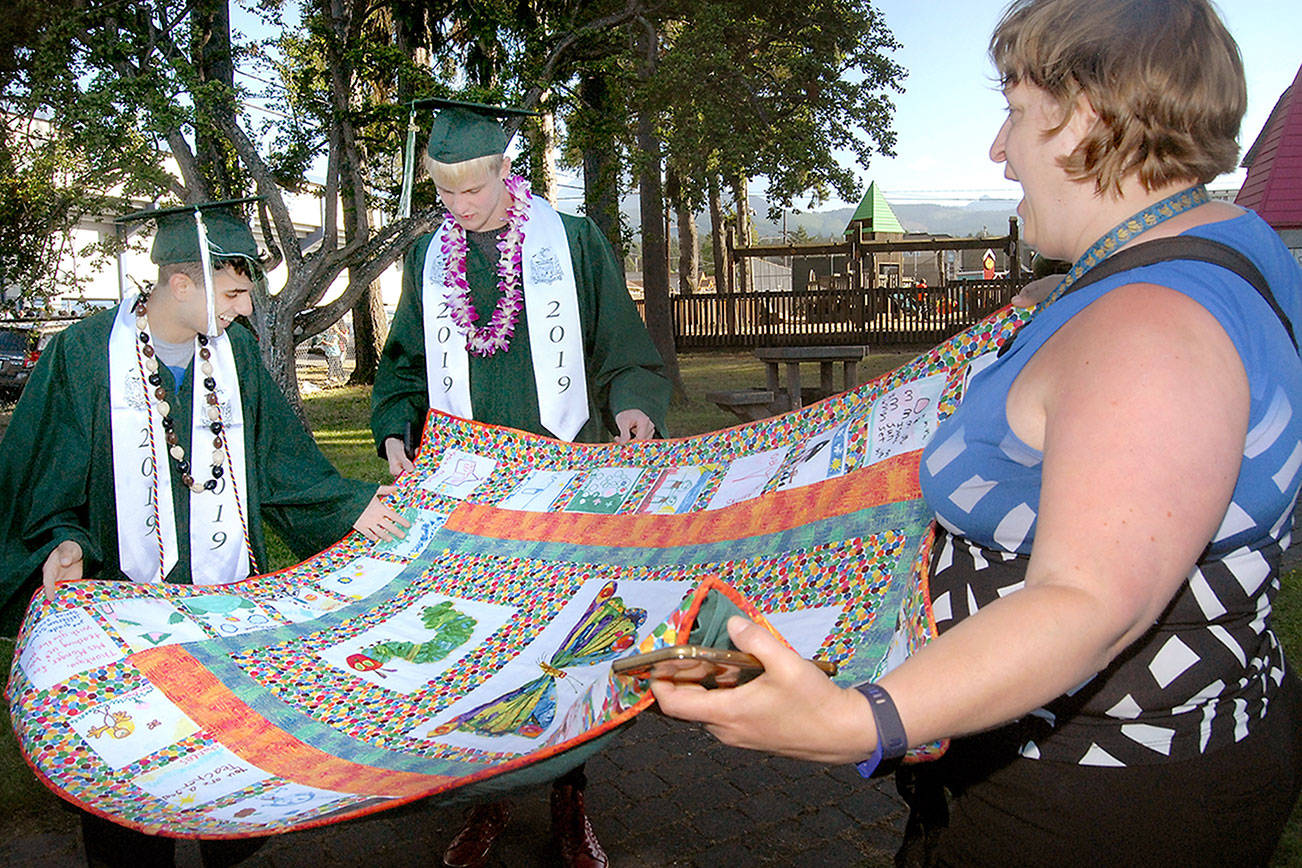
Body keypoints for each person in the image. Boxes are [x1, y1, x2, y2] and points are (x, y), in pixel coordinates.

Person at [651, 1, 1302, 865]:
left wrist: (860, 721)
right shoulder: (1224, 242)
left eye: (1015, 111)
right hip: (1171, 752)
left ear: (1084, 118)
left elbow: (1091, 601)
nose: (999, 149)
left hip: (1089, 801)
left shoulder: (1149, 330)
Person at [0, 200, 409, 868]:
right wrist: (63, 543)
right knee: (132, 788)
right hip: (127, 616)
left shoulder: (235, 353)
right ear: (180, 283)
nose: (247, 308)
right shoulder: (83, 354)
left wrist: (348, 507)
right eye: (236, 292)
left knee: (230, 776)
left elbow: (279, 457)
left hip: (224, 609)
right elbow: (45, 477)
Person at [370, 99, 671, 868]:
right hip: (469, 493)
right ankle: (488, 800)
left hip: (562, 482)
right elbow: (404, 361)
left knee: (566, 646)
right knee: (478, 648)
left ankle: (570, 804)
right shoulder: (427, 259)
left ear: (508, 171)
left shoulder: (571, 241)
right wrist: (395, 430)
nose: (458, 209)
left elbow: (619, 344)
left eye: (472, 192)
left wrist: (632, 406)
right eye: (444, 195)